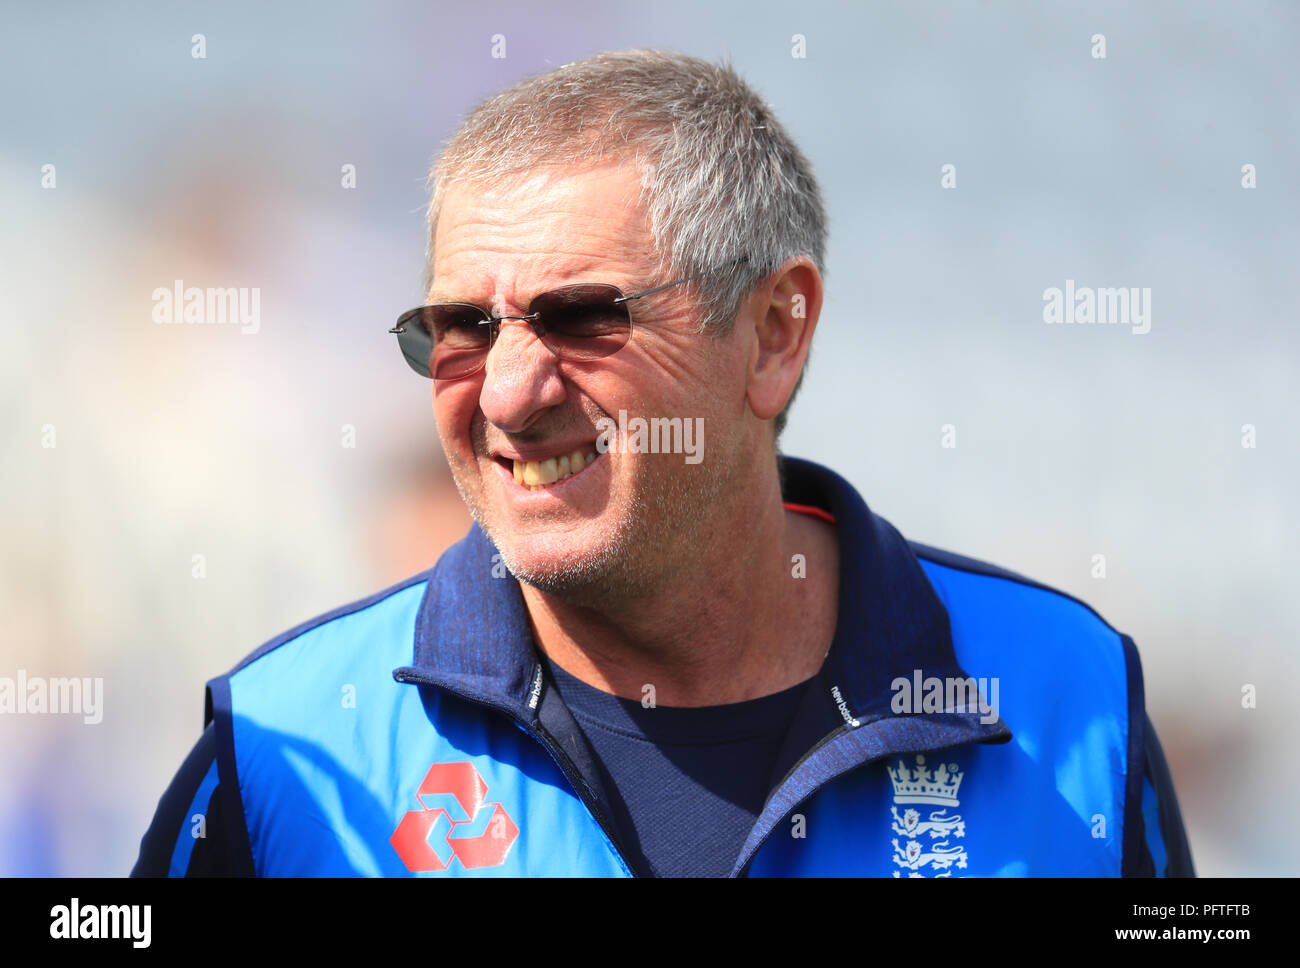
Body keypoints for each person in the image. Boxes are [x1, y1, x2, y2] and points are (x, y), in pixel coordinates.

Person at [133, 48, 1193, 878]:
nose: (507, 391)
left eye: (583, 316)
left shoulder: (1063, 690)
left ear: (775, 331)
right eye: (458, 325)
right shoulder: (284, 738)